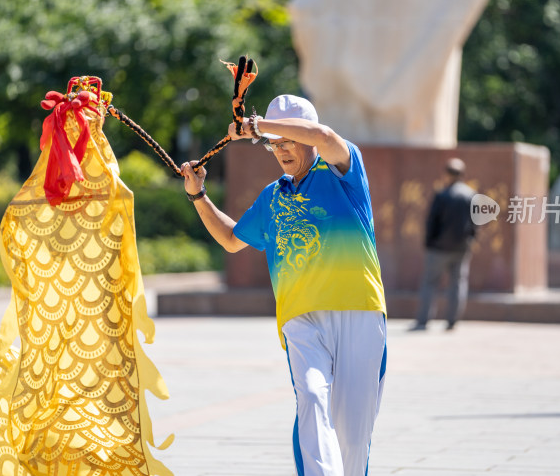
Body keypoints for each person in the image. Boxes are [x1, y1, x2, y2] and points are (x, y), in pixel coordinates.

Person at [180, 94, 387, 476]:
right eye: (274, 145)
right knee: (310, 398)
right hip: (300, 319)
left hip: (360, 311)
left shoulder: (344, 171)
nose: (281, 150)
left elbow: (325, 136)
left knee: (354, 436)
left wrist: (259, 128)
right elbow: (231, 239)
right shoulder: (272, 197)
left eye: (288, 140)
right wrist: (198, 195)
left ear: (306, 138)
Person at [412, 157, 476, 331]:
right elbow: (475, 222)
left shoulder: (442, 195)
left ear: (447, 174)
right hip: (462, 247)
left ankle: (423, 321)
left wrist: (429, 242)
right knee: (458, 283)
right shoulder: (470, 195)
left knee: (430, 283)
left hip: (439, 248)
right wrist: (470, 240)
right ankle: (452, 321)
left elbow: (432, 222)